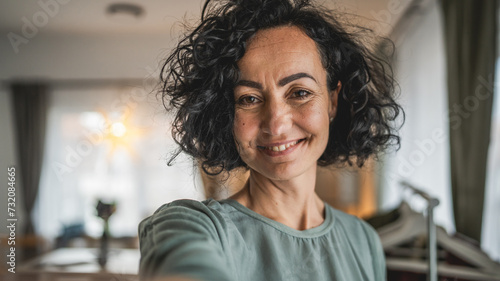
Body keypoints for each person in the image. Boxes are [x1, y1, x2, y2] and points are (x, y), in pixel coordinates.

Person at [139, 0, 403, 280]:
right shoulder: (191, 225)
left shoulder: (364, 240)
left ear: (333, 102)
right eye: (249, 99)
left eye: (299, 92)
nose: (276, 124)